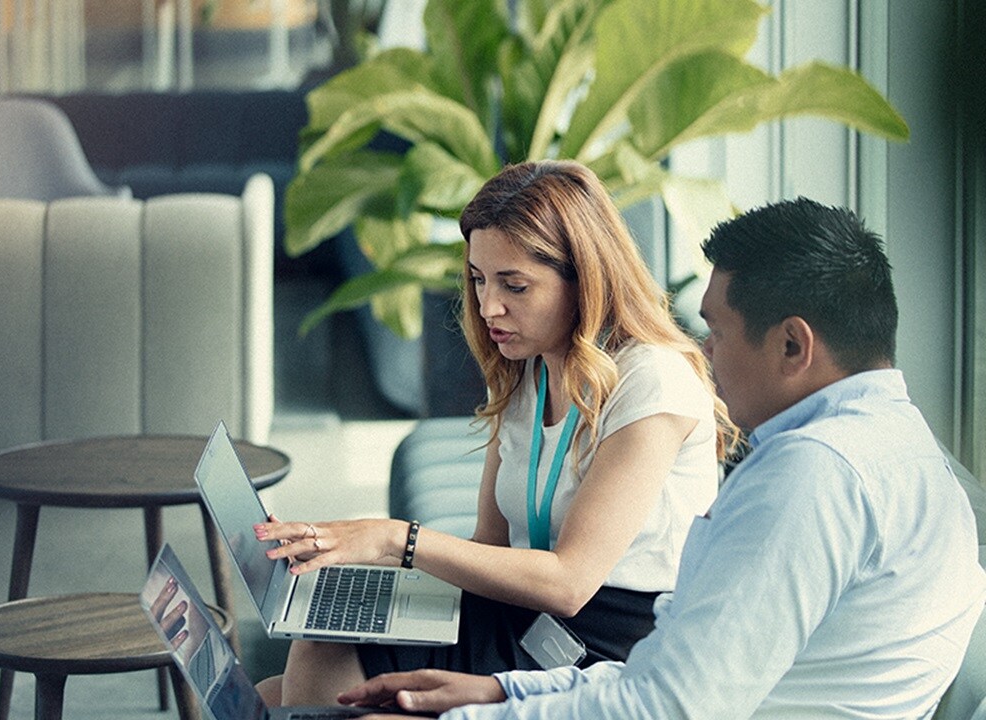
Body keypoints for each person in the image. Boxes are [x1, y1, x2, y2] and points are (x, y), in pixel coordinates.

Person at [337, 197, 986, 719]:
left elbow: (672, 705)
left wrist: (473, 715)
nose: (703, 353)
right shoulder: (891, 452)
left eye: (718, 331)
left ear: (793, 345)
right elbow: (681, 676)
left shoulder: (815, 479)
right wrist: (512, 693)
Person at [255, 160, 737, 705]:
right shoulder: (529, 369)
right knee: (273, 689)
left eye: (515, 285)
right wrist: (349, 551)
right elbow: (489, 547)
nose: (488, 307)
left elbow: (570, 583)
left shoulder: (651, 381)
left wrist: (394, 538)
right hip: (527, 616)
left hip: (605, 643)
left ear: (586, 279)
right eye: (479, 279)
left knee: (321, 669)